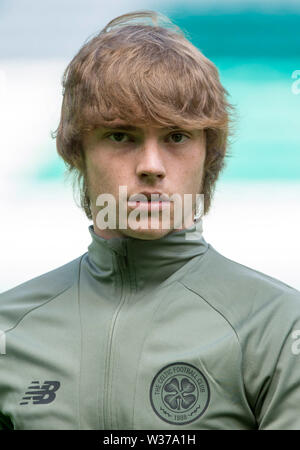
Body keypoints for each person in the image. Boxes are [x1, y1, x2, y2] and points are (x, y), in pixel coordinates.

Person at [0, 10, 300, 431]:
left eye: (176, 136)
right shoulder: (8, 329)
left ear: (208, 156)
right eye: (121, 135)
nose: (151, 166)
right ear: (76, 151)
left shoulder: (279, 325)